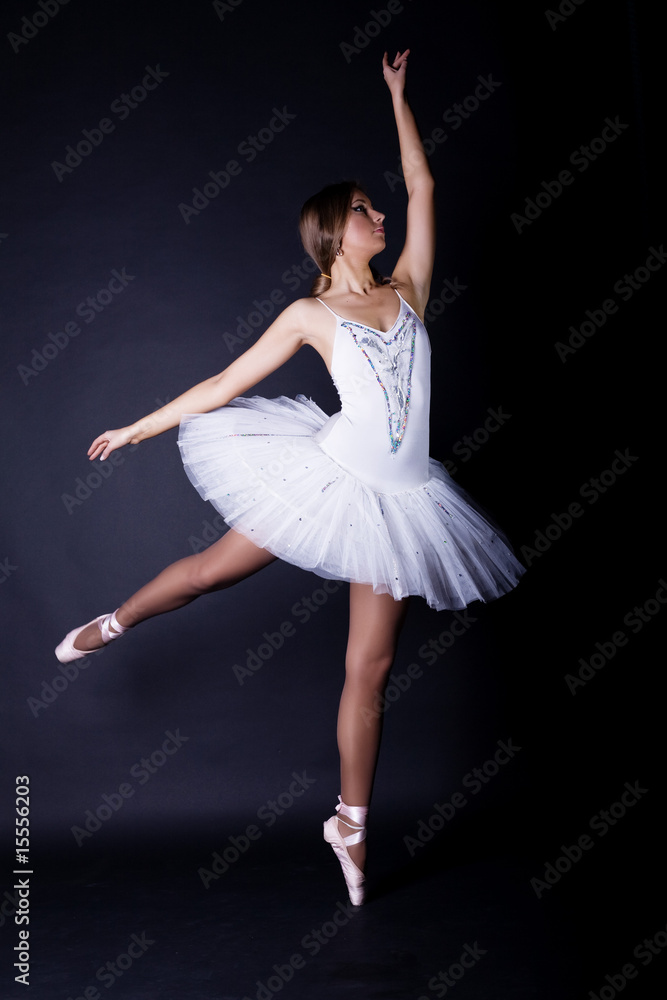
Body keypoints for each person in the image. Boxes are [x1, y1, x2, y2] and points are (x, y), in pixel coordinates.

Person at [55, 50, 525, 906]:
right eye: (361, 209)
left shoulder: (410, 291)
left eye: (374, 207)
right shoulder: (310, 313)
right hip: (327, 478)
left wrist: (396, 96)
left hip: (401, 502)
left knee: (369, 671)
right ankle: (118, 621)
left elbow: (422, 186)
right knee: (206, 575)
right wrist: (137, 428)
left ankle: (348, 821)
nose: (378, 214)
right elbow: (220, 386)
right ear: (331, 231)